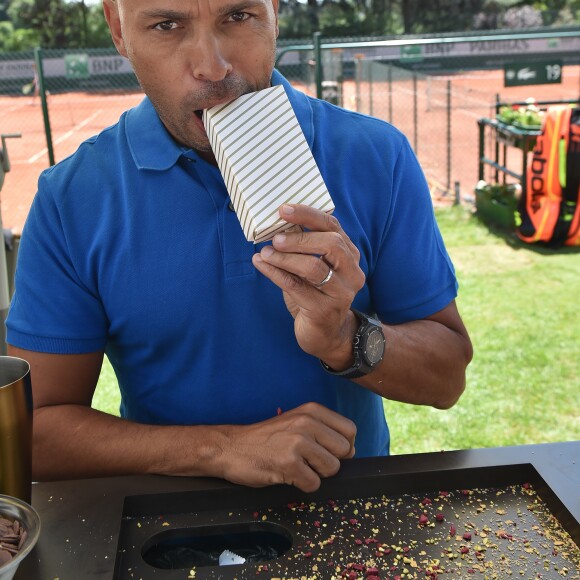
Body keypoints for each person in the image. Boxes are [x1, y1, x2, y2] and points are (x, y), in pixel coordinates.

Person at [6, 0, 472, 493]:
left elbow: (446, 378)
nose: (212, 66)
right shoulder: (72, 198)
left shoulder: (377, 155)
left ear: (274, 12)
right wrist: (222, 448)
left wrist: (345, 337)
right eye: (167, 25)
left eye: (238, 16)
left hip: (347, 508)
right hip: (169, 528)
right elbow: (34, 434)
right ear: (119, 31)